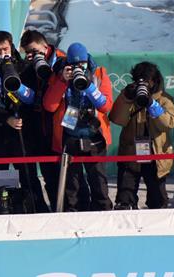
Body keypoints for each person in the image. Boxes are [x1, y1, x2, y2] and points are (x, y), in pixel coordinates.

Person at [0, 30, 46, 212]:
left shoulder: (24, 67)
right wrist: (5, 118)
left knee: (27, 175)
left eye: (5, 49)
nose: (2, 54)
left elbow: (33, 99)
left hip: (21, 132)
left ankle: (36, 208)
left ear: (12, 47)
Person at [43, 42, 114, 212]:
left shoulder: (99, 73)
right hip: (69, 135)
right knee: (71, 184)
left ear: (86, 60)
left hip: (93, 134)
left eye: (80, 64)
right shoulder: (60, 74)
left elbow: (105, 106)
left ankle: (103, 212)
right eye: (73, 65)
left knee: (98, 180)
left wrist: (88, 85)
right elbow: (49, 106)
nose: (77, 69)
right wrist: (62, 82)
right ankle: (72, 214)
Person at [109, 62, 174, 210]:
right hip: (131, 153)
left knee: (158, 201)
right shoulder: (129, 96)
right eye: (139, 81)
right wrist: (125, 98)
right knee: (124, 200)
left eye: (147, 81)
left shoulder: (164, 99)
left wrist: (153, 105)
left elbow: (170, 122)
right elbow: (116, 119)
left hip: (156, 155)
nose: (144, 85)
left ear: (154, 81)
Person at [20, 29, 75, 209]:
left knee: (69, 179)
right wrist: (27, 68)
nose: (32, 56)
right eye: (28, 52)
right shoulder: (28, 67)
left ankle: (73, 210)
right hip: (40, 129)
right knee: (50, 177)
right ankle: (53, 210)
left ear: (46, 46)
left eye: (35, 51)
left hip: (62, 127)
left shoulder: (62, 61)